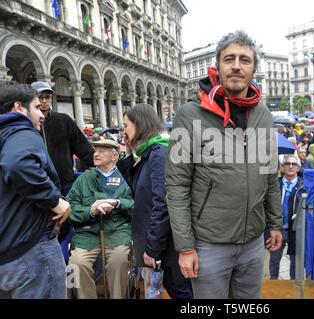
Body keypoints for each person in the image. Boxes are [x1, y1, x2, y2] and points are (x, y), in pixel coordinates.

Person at [165, 30, 283, 299]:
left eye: (245, 60)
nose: (237, 66)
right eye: (229, 59)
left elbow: (269, 174)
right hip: (209, 244)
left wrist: (275, 223)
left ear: (253, 68)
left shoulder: (263, 114)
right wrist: (185, 247)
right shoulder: (189, 115)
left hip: (253, 242)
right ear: (217, 66)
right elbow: (177, 186)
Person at [0, 81, 71, 298]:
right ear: (19, 108)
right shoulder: (21, 131)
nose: (42, 114)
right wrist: (55, 201)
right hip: (32, 252)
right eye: (36, 108)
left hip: (9, 256)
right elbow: (18, 163)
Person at [117, 105, 192, 299]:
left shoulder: (158, 154)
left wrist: (152, 248)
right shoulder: (148, 153)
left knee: (183, 294)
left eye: (126, 125)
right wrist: (127, 151)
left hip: (167, 250)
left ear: (139, 125)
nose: (123, 131)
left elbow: (163, 203)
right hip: (162, 247)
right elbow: (136, 189)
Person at [67, 139, 134, 299]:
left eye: (102, 151)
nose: (96, 154)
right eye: (95, 150)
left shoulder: (126, 176)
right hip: (87, 234)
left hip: (118, 231)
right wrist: (90, 211)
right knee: (76, 263)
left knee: (119, 260)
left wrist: (118, 203)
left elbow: (138, 206)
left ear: (115, 156)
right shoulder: (84, 178)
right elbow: (70, 208)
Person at [31, 81, 94, 195]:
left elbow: (83, 148)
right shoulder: (27, 124)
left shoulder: (64, 120)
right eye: (40, 97)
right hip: (39, 186)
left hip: (65, 184)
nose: (44, 101)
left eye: (47, 97)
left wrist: (102, 166)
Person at [269, 155, 305, 280]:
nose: (290, 166)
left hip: (295, 230)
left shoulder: (304, 186)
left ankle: (293, 289)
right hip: (277, 228)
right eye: (287, 164)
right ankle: (273, 286)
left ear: (298, 168)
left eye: (293, 164)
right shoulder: (275, 184)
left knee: (295, 263)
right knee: (274, 261)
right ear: (283, 167)